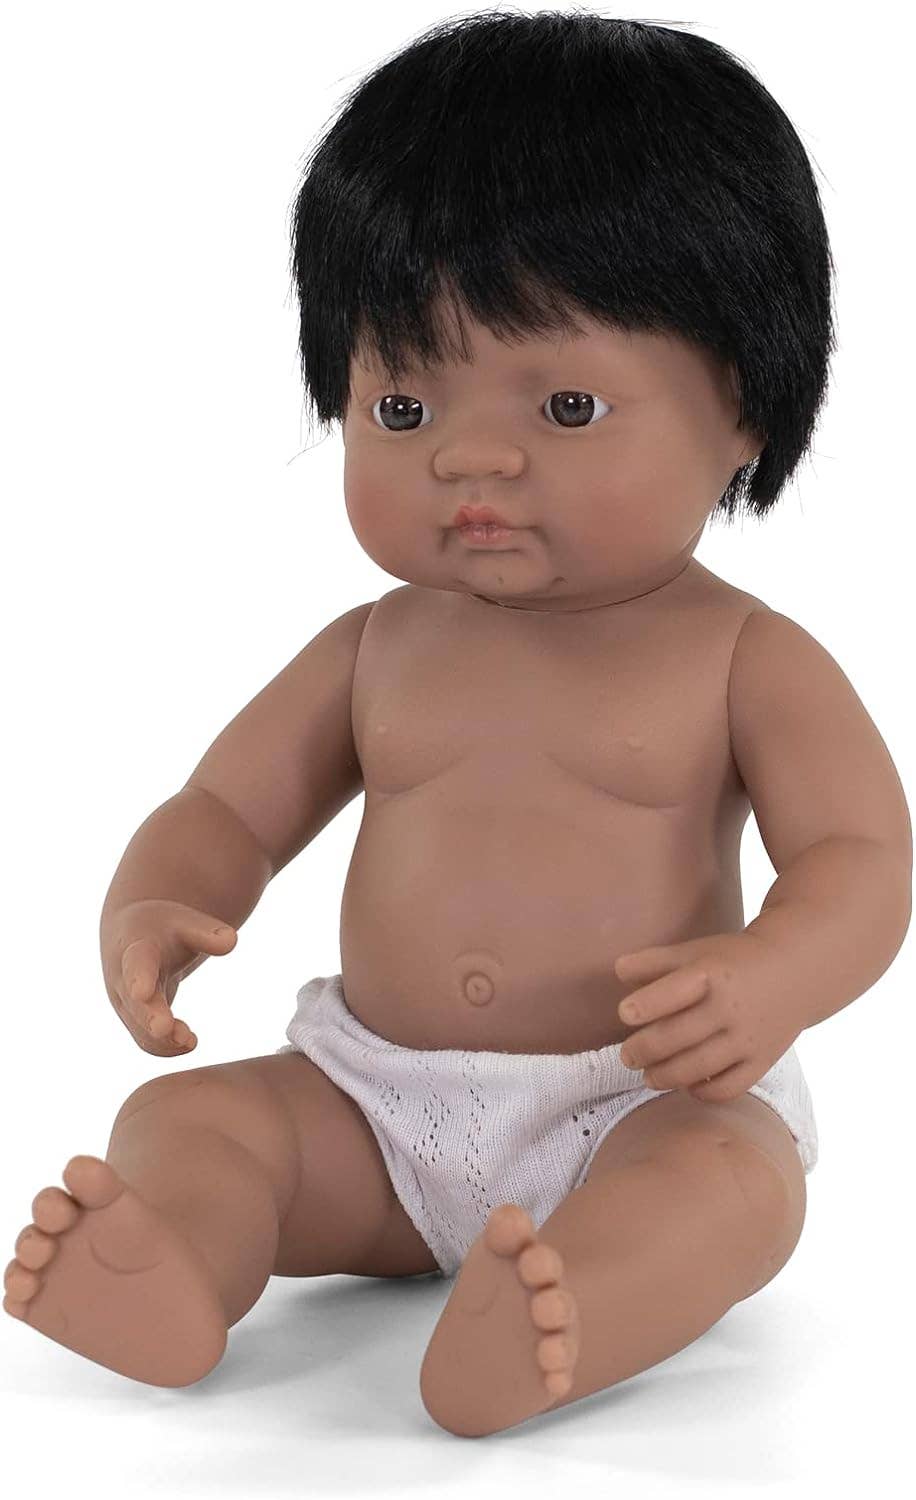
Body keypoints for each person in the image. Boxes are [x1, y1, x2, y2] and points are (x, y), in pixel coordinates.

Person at [4, 11, 911, 1439]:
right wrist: (162, 896)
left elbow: (860, 856)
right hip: (373, 1104)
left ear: (742, 405)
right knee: (191, 1125)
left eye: (566, 404)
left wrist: (775, 974)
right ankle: (177, 1256)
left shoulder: (746, 659)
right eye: (404, 403)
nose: (471, 458)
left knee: (737, 1188)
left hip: (637, 1102)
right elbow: (229, 807)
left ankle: (572, 1307)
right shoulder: (378, 646)